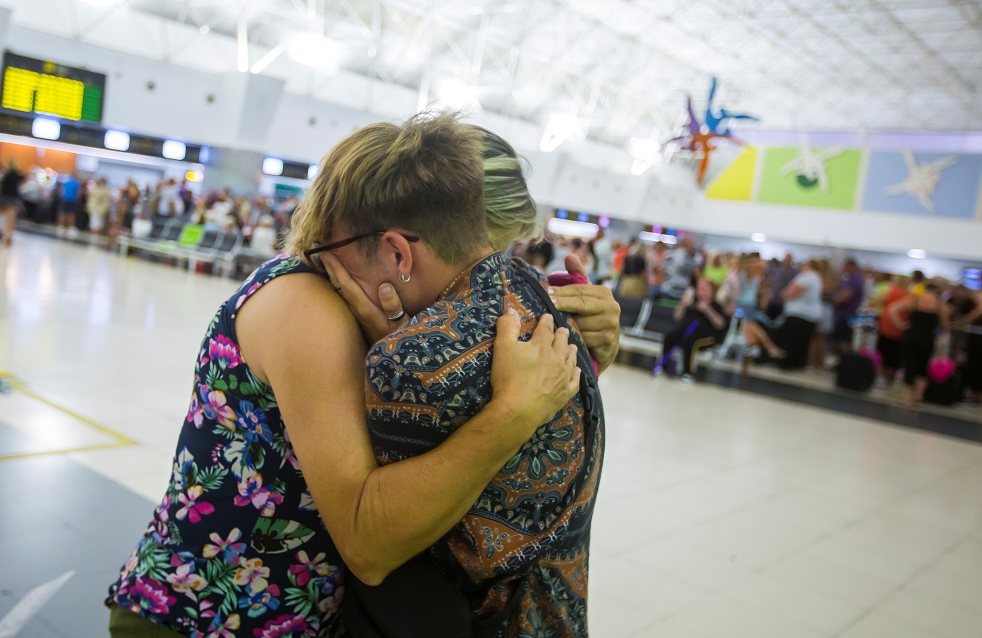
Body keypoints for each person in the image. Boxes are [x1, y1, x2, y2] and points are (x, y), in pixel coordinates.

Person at [106, 117, 621, 637]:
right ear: (404, 251)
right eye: (474, 262)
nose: (480, 297)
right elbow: (367, 540)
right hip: (200, 619)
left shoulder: (394, 321)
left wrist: (588, 357)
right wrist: (514, 412)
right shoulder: (307, 305)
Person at [292, 114, 604, 637]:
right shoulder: (548, 308)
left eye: (329, 256)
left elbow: (373, 548)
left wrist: (395, 348)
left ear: (397, 251)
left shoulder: (411, 360)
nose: (329, 274)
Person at [652, 277, 729, 381]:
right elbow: (677, 317)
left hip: (706, 336)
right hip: (685, 330)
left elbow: (720, 324)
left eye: (704, 289)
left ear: (712, 291)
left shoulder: (715, 305)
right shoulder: (691, 304)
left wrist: (707, 310)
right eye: (699, 289)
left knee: (690, 340)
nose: (701, 292)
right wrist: (683, 305)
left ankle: (687, 372)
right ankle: (662, 367)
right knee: (670, 336)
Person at [890, 282, 950, 408]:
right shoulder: (941, 306)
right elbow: (945, 326)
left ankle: (908, 398)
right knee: (922, 367)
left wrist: (901, 324)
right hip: (928, 339)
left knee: (909, 365)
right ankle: (918, 396)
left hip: (911, 337)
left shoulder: (915, 300)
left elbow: (892, 309)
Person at [771, 258, 824, 369]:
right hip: (811, 315)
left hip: (798, 314)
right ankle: (798, 364)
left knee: (791, 341)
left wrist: (784, 294)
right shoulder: (817, 278)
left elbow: (793, 291)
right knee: (802, 343)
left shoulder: (806, 277)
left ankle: (786, 363)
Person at [875, 276, 909, 386]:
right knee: (895, 356)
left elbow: (876, 300)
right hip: (899, 331)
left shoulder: (891, 292)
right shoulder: (908, 295)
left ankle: (881, 376)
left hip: (885, 326)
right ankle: (891, 377)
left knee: (882, 352)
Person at [832, 259, 865, 356]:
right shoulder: (849, 278)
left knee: (843, 339)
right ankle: (841, 362)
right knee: (839, 338)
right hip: (843, 314)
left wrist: (832, 302)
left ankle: (845, 361)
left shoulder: (855, 279)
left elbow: (846, 295)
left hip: (846, 315)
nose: (842, 268)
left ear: (851, 266)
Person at [0, 160, 24, 247]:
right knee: (11, 220)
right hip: (13, 199)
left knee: (3, 218)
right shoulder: (19, 176)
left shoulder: (6, 174)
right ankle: (9, 237)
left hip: (4, 198)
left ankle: (3, 235)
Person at [58, 173, 80, 238]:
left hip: (65, 199)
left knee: (63, 213)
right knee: (71, 214)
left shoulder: (66, 182)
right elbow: (78, 193)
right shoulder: (76, 183)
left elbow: (61, 191)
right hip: (72, 200)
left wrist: (62, 197)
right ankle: (70, 227)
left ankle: (61, 227)